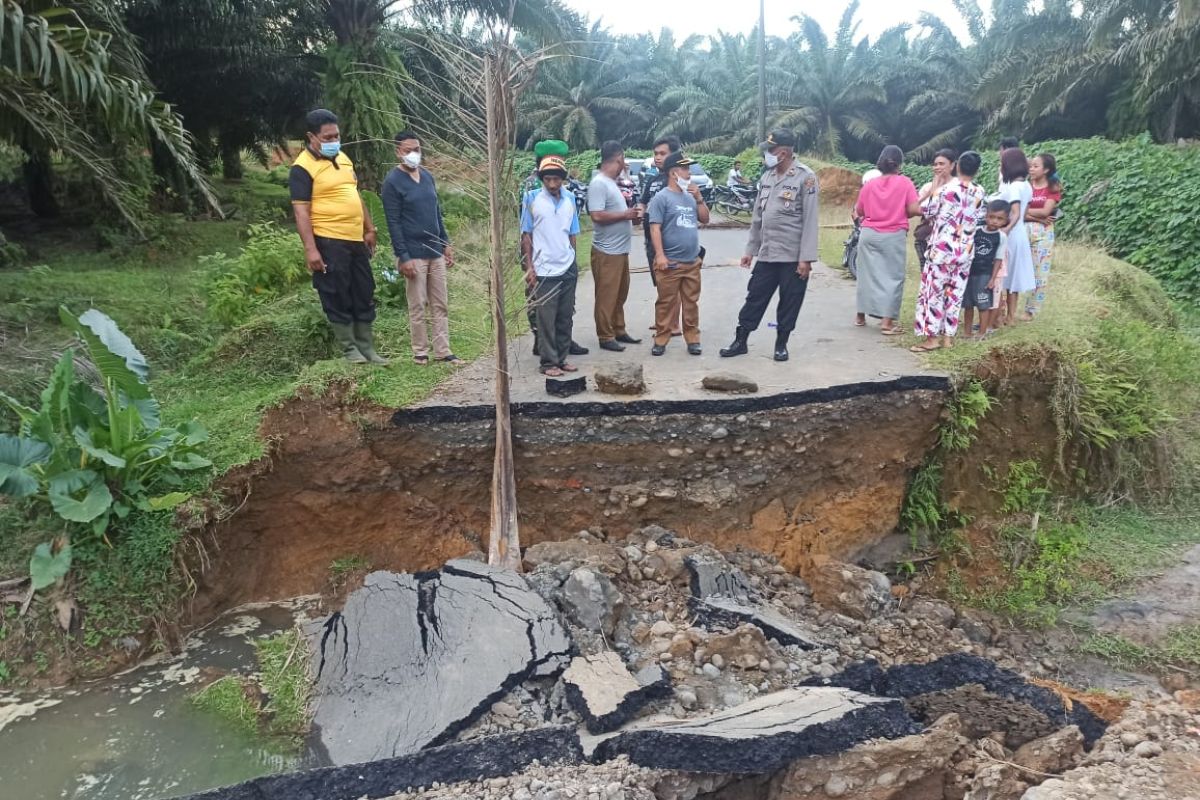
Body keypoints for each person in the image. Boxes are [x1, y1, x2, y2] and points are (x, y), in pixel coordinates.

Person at [289, 108, 386, 365]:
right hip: (328, 239)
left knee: (364, 290)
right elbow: (301, 211)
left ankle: (367, 347)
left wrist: (369, 228)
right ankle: (349, 349)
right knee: (336, 292)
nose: (334, 141)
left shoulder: (343, 158)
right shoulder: (302, 168)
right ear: (312, 136)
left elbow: (354, 195)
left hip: (355, 238)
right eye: (328, 137)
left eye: (336, 136)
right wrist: (311, 249)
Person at [721, 129, 819, 362]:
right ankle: (741, 340)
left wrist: (806, 259)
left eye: (770, 149)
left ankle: (781, 344)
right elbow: (758, 218)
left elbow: (810, 221)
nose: (767, 153)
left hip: (792, 256)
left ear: (783, 152)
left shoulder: (806, 178)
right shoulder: (767, 177)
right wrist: (749, 251)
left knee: (790, 300)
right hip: (767, 253)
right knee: (755, 296)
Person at [381, 131, 462, 367]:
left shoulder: (427, 176)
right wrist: (402, 256)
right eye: (407, 150)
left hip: (434, 249)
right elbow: (393, 222)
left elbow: (437, 212)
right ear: (398, 152)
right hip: (413, 252)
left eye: (416, 149)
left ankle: (443, 350)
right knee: (418, 304)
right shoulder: (392, 182)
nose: (413, 154)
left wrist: (445, 242)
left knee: (440, 302)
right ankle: (420, 352)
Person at [912, 150, 987, 352]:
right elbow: (980, 216)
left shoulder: (946, 190)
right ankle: (948, 338)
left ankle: (931, 339)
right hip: (964, 252)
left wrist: (934, 188)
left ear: (957, 166)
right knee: (954, 295)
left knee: (933, 295)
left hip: (941, 251)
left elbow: (925, 210)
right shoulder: (979, 192)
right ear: (976, 170)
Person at [521, 154, 581, 377]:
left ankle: (562, 358)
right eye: (548, 180)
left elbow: (573, 233)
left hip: (566, 265)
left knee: (565, 315)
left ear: (562, 179)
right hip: (544, 267)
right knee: (546, 318)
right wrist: (529, 267)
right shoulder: (531, 199)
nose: (552, 184)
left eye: (556, 179)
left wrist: (574, 260)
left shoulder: (570, 199)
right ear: (542, 179)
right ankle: (548, 363)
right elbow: (526, 235)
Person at [852, 145, 921, 337]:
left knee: (866, 274)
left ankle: (860, 316)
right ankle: (887, 322)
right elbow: (914, 209)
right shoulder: (905, 183)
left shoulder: (869, 185)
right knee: (893, 277)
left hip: (869, 234)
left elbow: (860, 211)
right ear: (899, 164)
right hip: (893, 234)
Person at [647, 151, 709, 357]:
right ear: (674, 173)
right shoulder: (661, 199)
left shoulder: (690, 197)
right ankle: (661, 339)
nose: (689, 174)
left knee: (691, 303)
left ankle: (693, 339)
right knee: (666, 302)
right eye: (685, 170)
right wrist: (660, 256)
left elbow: (705, 219)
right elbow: (654, 228)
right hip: (670, 263)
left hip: (692, 262)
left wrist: (699, 199)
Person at [587, 141, 642, 352]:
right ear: (619, 158)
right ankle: (605, 335)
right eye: (623, 159)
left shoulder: (612, 183)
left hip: (620, 250)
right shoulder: (599, 183)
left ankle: (619, 329)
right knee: (606, 295)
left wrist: (632, 217)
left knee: (620, 293)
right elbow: (597, 215)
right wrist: (626, 214)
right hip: (606, 251)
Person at [640, 135, 684, 335]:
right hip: (652, 240)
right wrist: (639, 211)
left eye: (662, 153)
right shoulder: (652, 179)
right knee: (660, 282)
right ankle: (664, 318)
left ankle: (673, 324)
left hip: (672, 241)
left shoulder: (679, 180)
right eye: (655, 153)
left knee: (673, 283)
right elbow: (643, 202)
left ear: (673, 155)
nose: (658, 157)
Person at [1021, 153, 1062, 320]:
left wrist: (1025, 212)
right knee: (1018, 269)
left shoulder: (1053, 188)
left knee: (1039, 271)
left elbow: (1047, 211)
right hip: (1024, 230)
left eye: (1036, 166)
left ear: (1046, 170)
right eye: (1030, 166)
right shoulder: (1024, 186)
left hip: (1044, 233)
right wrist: (1035, 216)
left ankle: (1030, 310)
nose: (1031, 169)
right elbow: (1017, 212)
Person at [962, 199, 1010, 340]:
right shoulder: (976, 231)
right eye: (991, 217)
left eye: (999, 219)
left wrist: (993, 279)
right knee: (968, 304)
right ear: (986, 216)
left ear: (1005, 220)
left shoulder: (1001, 237)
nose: (994, 221)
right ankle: (967, 332)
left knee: (983, 305)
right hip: (970, 273)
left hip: (985, 274)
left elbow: (998, 259)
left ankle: (982, 333)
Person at [998, 148, 1035, 325]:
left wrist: (1006, 229)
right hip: (1022, 233)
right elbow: (1025, 213)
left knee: (1002, 274)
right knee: (1014, 277)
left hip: (1011, 235)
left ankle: (999, 315)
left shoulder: (1013, 187)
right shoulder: (1027, 186)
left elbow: (1015, 212)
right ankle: (1011, 316)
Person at [915, 149, 956, 269]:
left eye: (941, 164)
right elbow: (915, 208)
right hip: (927, 238)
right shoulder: (927, 187)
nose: (937, 167)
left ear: (952, 165)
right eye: (935, 164)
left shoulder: (957, 187)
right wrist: (930, 192)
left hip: (949, 239)